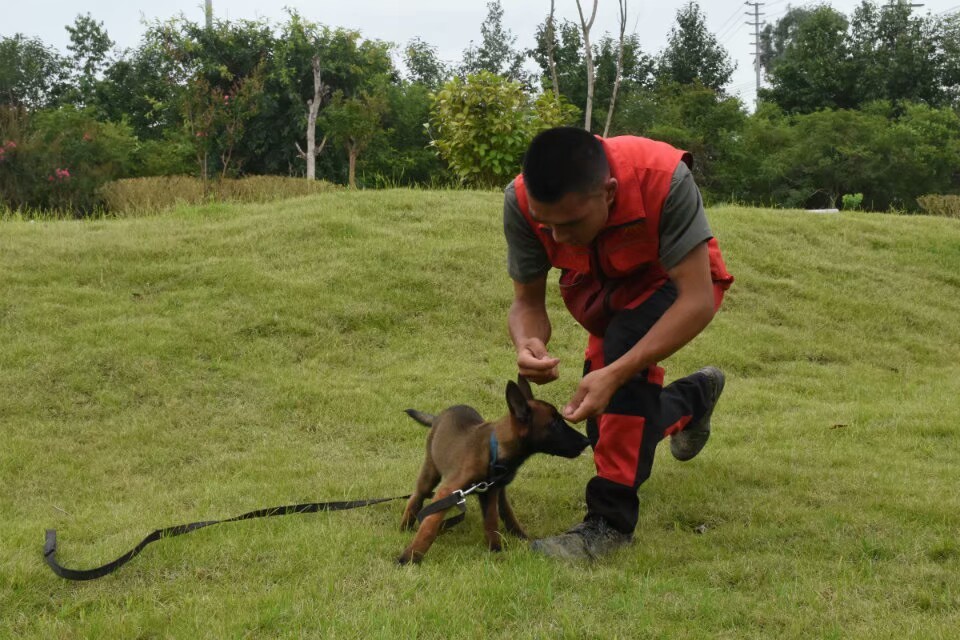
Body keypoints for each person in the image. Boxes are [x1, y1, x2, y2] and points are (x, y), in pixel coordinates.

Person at [503, 127, 734, 560]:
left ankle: (609, 525)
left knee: (622, 374)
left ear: (609, 192)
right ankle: (694, 396)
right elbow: (526, 302)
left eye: (570, 224)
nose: (556, 239)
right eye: (545, 225)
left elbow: (698, 299)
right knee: (609, 423)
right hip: (606, 299)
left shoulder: (663, 179)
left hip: (676, 289)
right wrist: (528, 339)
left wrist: (617, 369)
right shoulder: (519, 202)